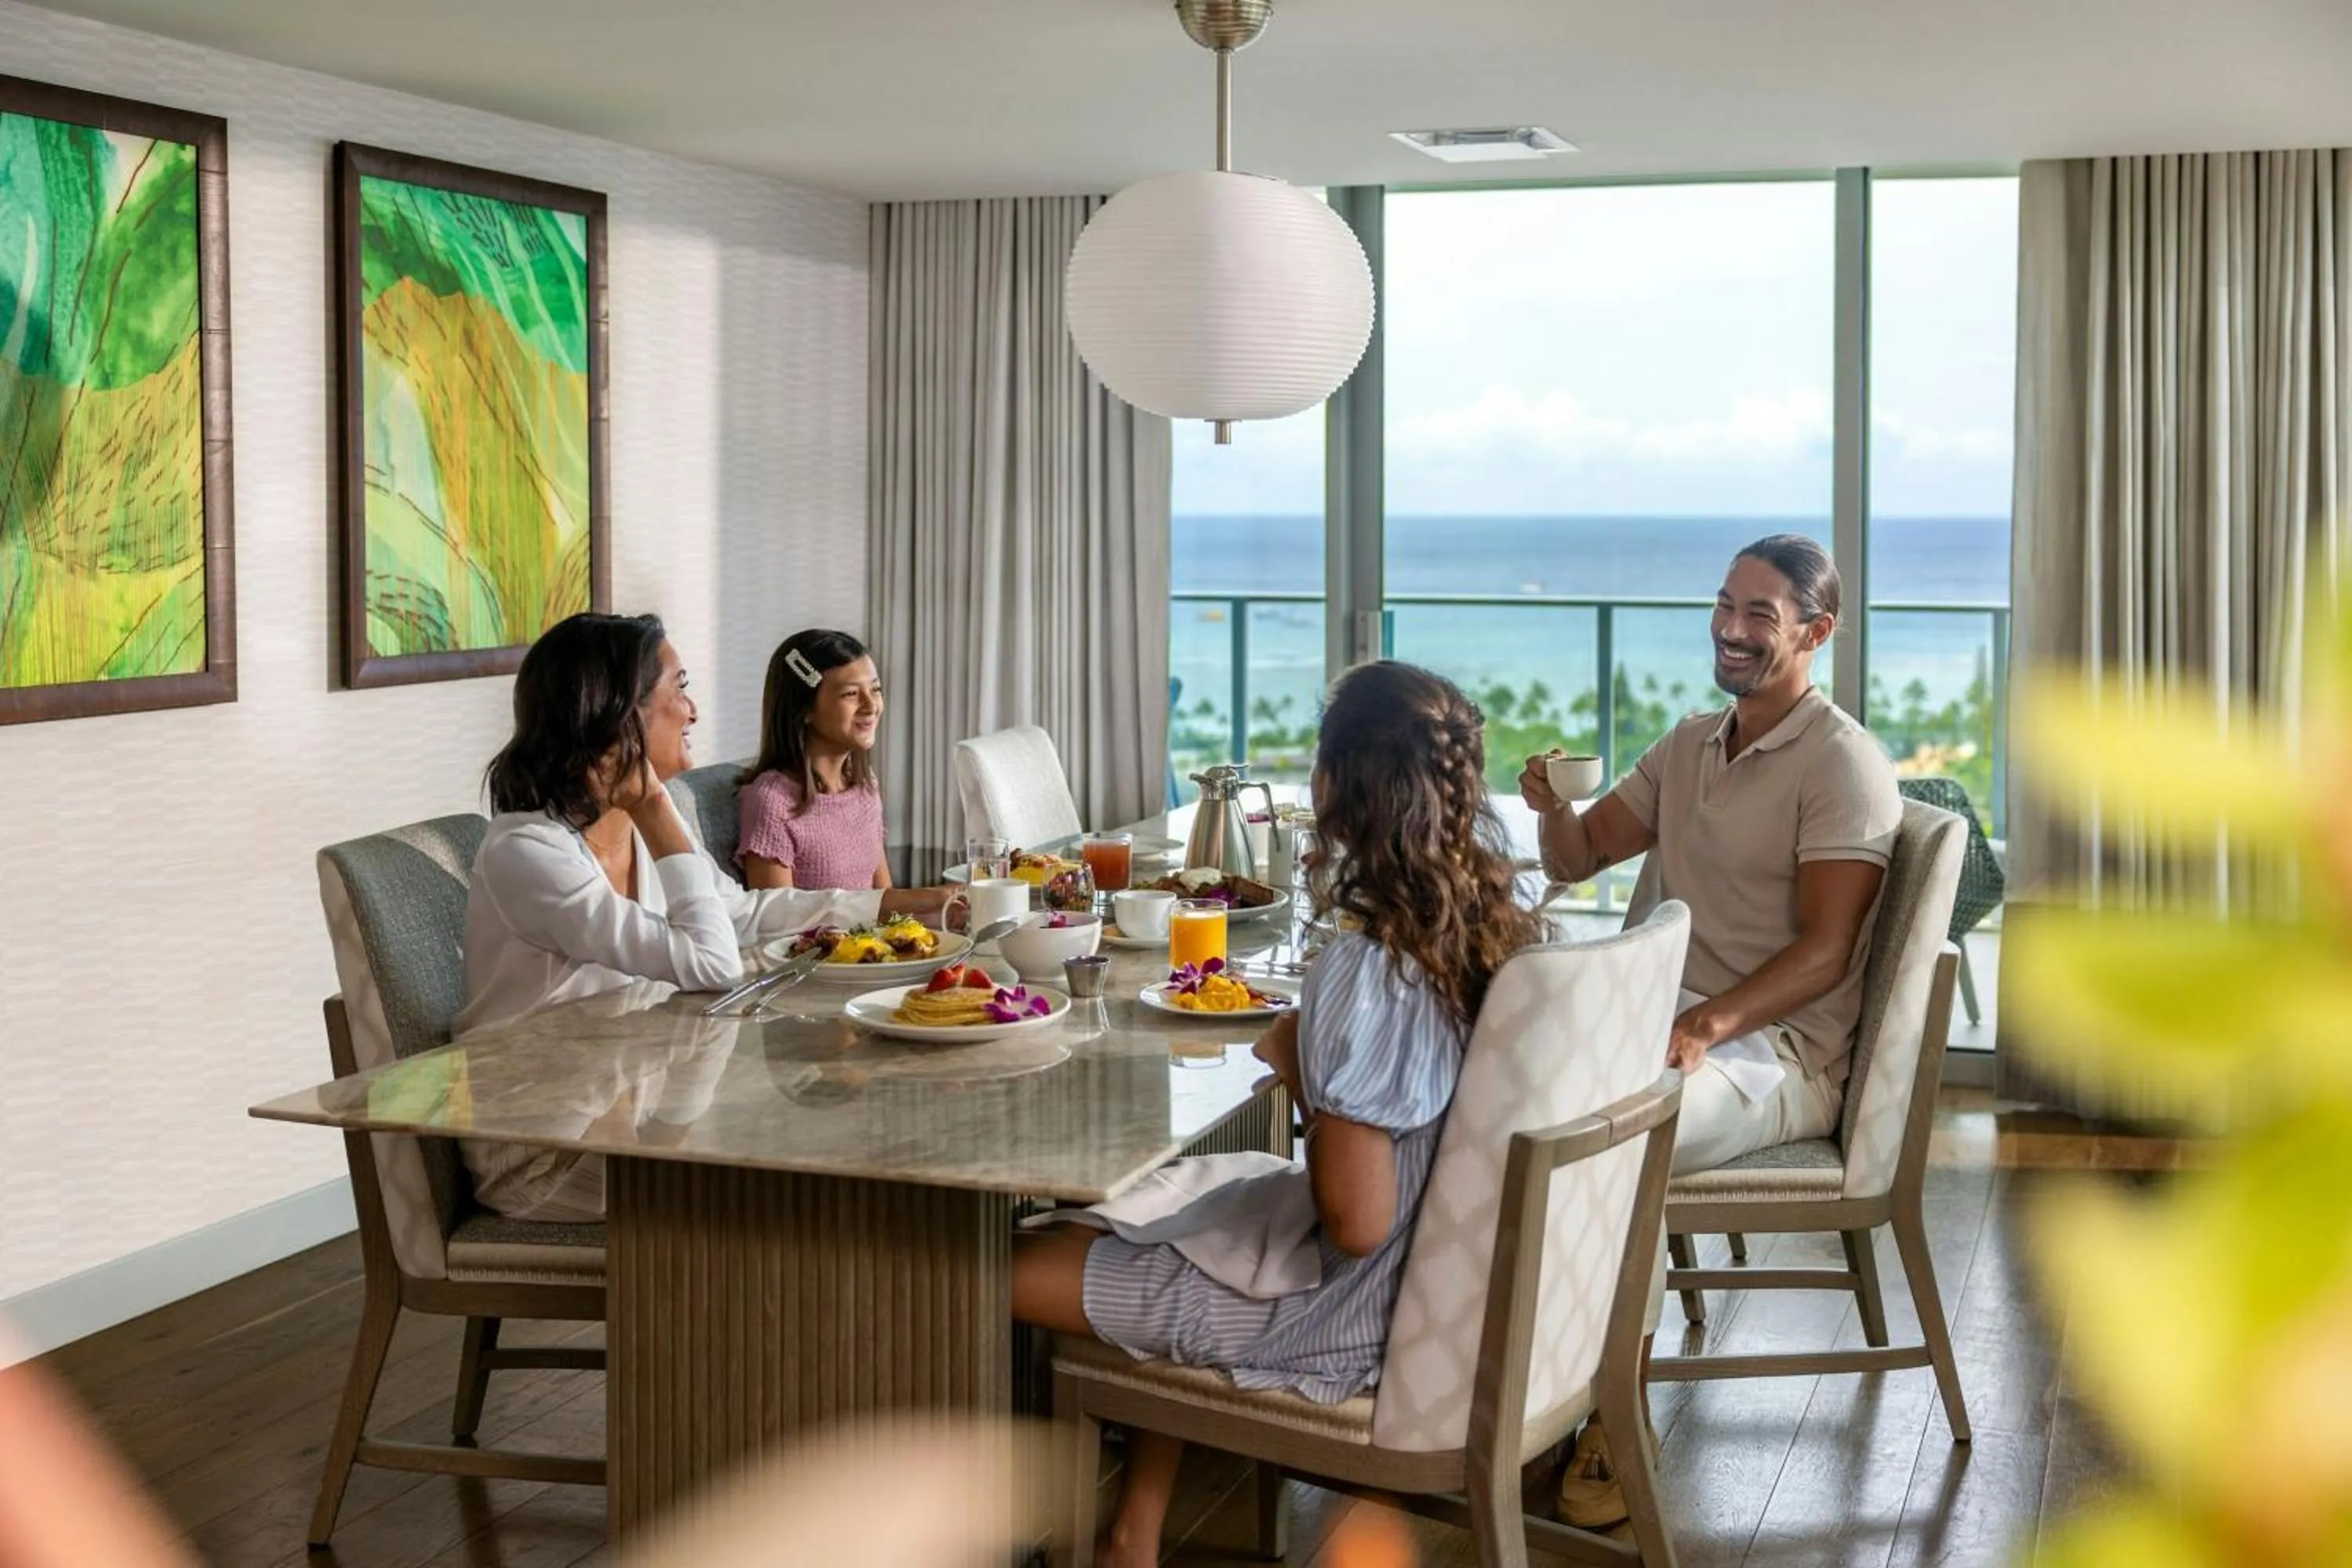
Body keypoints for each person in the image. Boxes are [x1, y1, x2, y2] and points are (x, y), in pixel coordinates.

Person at [1011, 662, 1540, 1568]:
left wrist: (1301, 1070)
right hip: (1446, 1290)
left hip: (1352, 1313)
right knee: (1172, 1213)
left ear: (1336, 786)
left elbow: (1358, 1221)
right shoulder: (1493, 923)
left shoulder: (1367, 967)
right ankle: (1132, 1534)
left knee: (1003, 1267)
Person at [1516, 533, 1900, 1529]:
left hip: (1779, 1056)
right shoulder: (1689, 742)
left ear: (1816, 632)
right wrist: (1555, 805)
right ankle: (1526, 1376)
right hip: (1666, 1029)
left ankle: (1611, 1410)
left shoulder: (1843, 763)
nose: (1730, 628)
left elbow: (1826, 951)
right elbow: (1577, 858)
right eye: (1724, 605)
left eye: (1759, 614)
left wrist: (1704, 1022)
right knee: (1508, 1093)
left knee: (1612, 1141)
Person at [452, 612, 889, 1221]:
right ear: (619, 717)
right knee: (807, 1191)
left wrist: (891, 909)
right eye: (678, 690)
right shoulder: (530, 853)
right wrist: (657, 809)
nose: (692, 711)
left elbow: (740, 914)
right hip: (549, 1149)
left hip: (636, 1106)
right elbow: (713, 964)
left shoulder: (632, 827)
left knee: (837, 1150)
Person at [736, 630, 942, 918]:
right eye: (851, 694)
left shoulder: (864, 785)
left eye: (875, 690)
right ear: (805, 709)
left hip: (876, 944)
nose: (871, 706)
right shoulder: (772, 803)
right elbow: (776, 922)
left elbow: (886, 902)